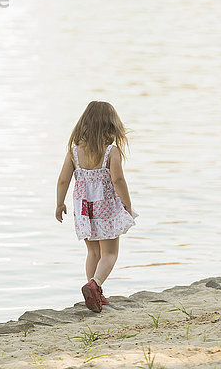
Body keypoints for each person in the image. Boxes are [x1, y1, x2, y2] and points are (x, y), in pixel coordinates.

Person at [55, 101, 137, 313]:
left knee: (93, 252)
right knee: (109, 253)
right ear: (111, 126)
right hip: (105, 207)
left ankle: (94, 292)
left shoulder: (74, 151)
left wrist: (59, 203)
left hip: (83, 209)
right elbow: (118, 179)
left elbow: (63, 180)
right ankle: (95, 285)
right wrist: (127, 203)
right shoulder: (111, 151)